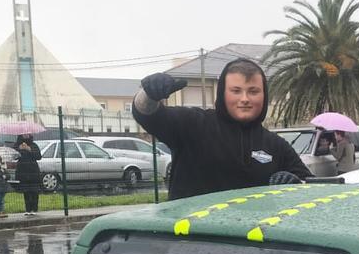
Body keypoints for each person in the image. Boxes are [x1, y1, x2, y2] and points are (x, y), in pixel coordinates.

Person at [133, 59, 311, 200]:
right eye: (236, 91)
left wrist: (296, 185)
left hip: (255, 242)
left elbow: (314, 187)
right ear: (222, 94)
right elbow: (149, 115)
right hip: (190, 240)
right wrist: (149, 94)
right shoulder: (193, 124)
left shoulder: (277, 145)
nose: (245, 99)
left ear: (264, 96)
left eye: (253, 91)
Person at [14, 134, 42, 216]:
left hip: (33, 171)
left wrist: (29, 149)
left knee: (34, 191)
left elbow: (39, 156)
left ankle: (34, 208)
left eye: (27, 134)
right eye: (24, 134)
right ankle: (27, 209)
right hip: (22, 171)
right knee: (26, 191)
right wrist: (19, 149)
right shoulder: (17, 145)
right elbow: (14, 156)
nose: (26, 135)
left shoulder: (33, 145)